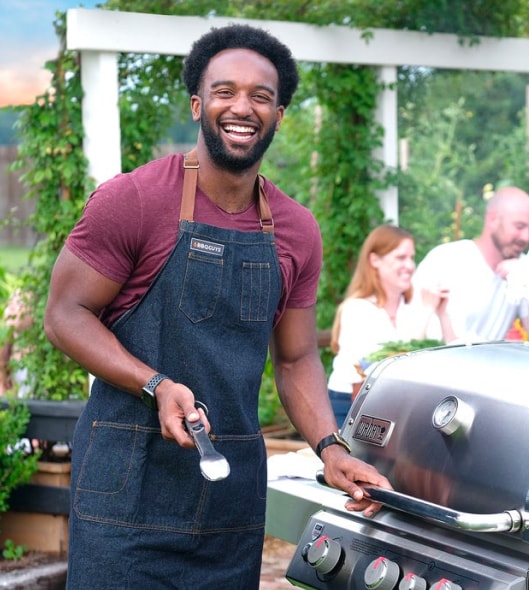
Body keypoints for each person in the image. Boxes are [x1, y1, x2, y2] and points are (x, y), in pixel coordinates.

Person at [43, 24, 390, 589]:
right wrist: (154, 383)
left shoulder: (297, 230)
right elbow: (64, 316)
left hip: (229, 505)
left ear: (279, 115)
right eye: (226, 91)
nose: (243, 107)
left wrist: (331, 448)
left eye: (262, 96)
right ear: (198, 103)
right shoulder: (132, 200)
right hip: (124, 498)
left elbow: (298, 358)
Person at [327, 225, 453, 427]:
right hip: (349, 404)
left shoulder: (415, 308)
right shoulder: (357, 309)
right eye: (401, 258)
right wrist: (428, 310)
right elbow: (391, 365)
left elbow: (450, 356)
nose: (410, 265)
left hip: (397, 405)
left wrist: (442, 314)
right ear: (374, 260)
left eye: (411, 257)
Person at [411, 186, 529, 343]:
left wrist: (527, 281)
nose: (526, 237)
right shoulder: (446, 259)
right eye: (519, 227)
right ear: (493, 220)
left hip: (492, 365)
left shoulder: (523, 271)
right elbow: (411, 330)